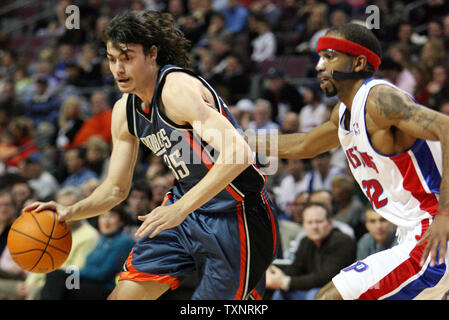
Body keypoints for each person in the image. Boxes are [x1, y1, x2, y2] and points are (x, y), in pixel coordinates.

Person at [25, 10, 278, 300]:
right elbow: (116, 189)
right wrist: (71, 212)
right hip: (182, 212)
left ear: (151, 54)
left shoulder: (176, 90)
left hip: (237, 215)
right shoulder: (124, 110)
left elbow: (239, 152)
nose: (118, 69)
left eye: (127, 58)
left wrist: (180, 208)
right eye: (111, 59)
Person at [250, 23, 449, 300]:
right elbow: (305, 145)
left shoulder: (380, 100)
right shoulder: (344, 112)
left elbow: (446, 128)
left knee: (330, 297)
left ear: (358, 62)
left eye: (330, 56)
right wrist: (239, 141)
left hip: (434, 231)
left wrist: (444, 214)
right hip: (411, 232)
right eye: (319, 57)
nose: (319, 66)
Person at [40, 204, 134, 300]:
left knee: (58, 278)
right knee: (54, 278)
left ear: (121, 221)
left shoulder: (123, 241)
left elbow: (103, 274)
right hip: (89, 283)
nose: (106, 221)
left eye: (111, 216)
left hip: (106, 288)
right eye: (103, 216)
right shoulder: (102, 238)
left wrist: (72, 271)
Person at [266, 202, 356, 300]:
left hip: (336, 292)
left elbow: (325, 277)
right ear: (303, 225)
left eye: (319, 222)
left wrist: (286, 281)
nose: (314, 227)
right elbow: (295, 269)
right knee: (280, 290)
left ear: (330, 223)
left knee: (315, 293)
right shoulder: (306, 241)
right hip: (311, 290)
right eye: (309, 222)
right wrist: (276, 276)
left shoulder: (343, 241)